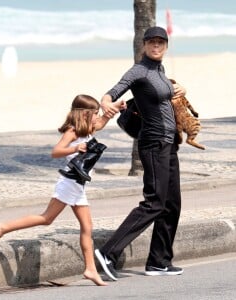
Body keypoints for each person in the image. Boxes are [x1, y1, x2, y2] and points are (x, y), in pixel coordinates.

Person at [0, 94, 125, 286]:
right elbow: (56, 152)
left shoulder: (88, 128)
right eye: (94, 113)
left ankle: (90, 269)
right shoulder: (72, 132)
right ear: (85, 114)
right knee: (46, 218)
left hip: (78, 185)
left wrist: (115, 109)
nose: (97, 116)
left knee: (87, 227)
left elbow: (102, 123)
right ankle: (3, 227)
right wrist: (77, 148)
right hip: (69, 183)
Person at [94, 26, 187, 280]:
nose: (156, 46)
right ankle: (107, 253)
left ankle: (159, 261)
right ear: (144, 45)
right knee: (154, 202)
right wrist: (107, 104)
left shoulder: (160, 70)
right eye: (152, 42)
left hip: (170, 144)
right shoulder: (139, 70)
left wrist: (180, 90)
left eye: (161, 42)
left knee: (172, 204)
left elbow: (162, 95)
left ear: (166, 46)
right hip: (153, 144)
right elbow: (112, 91)